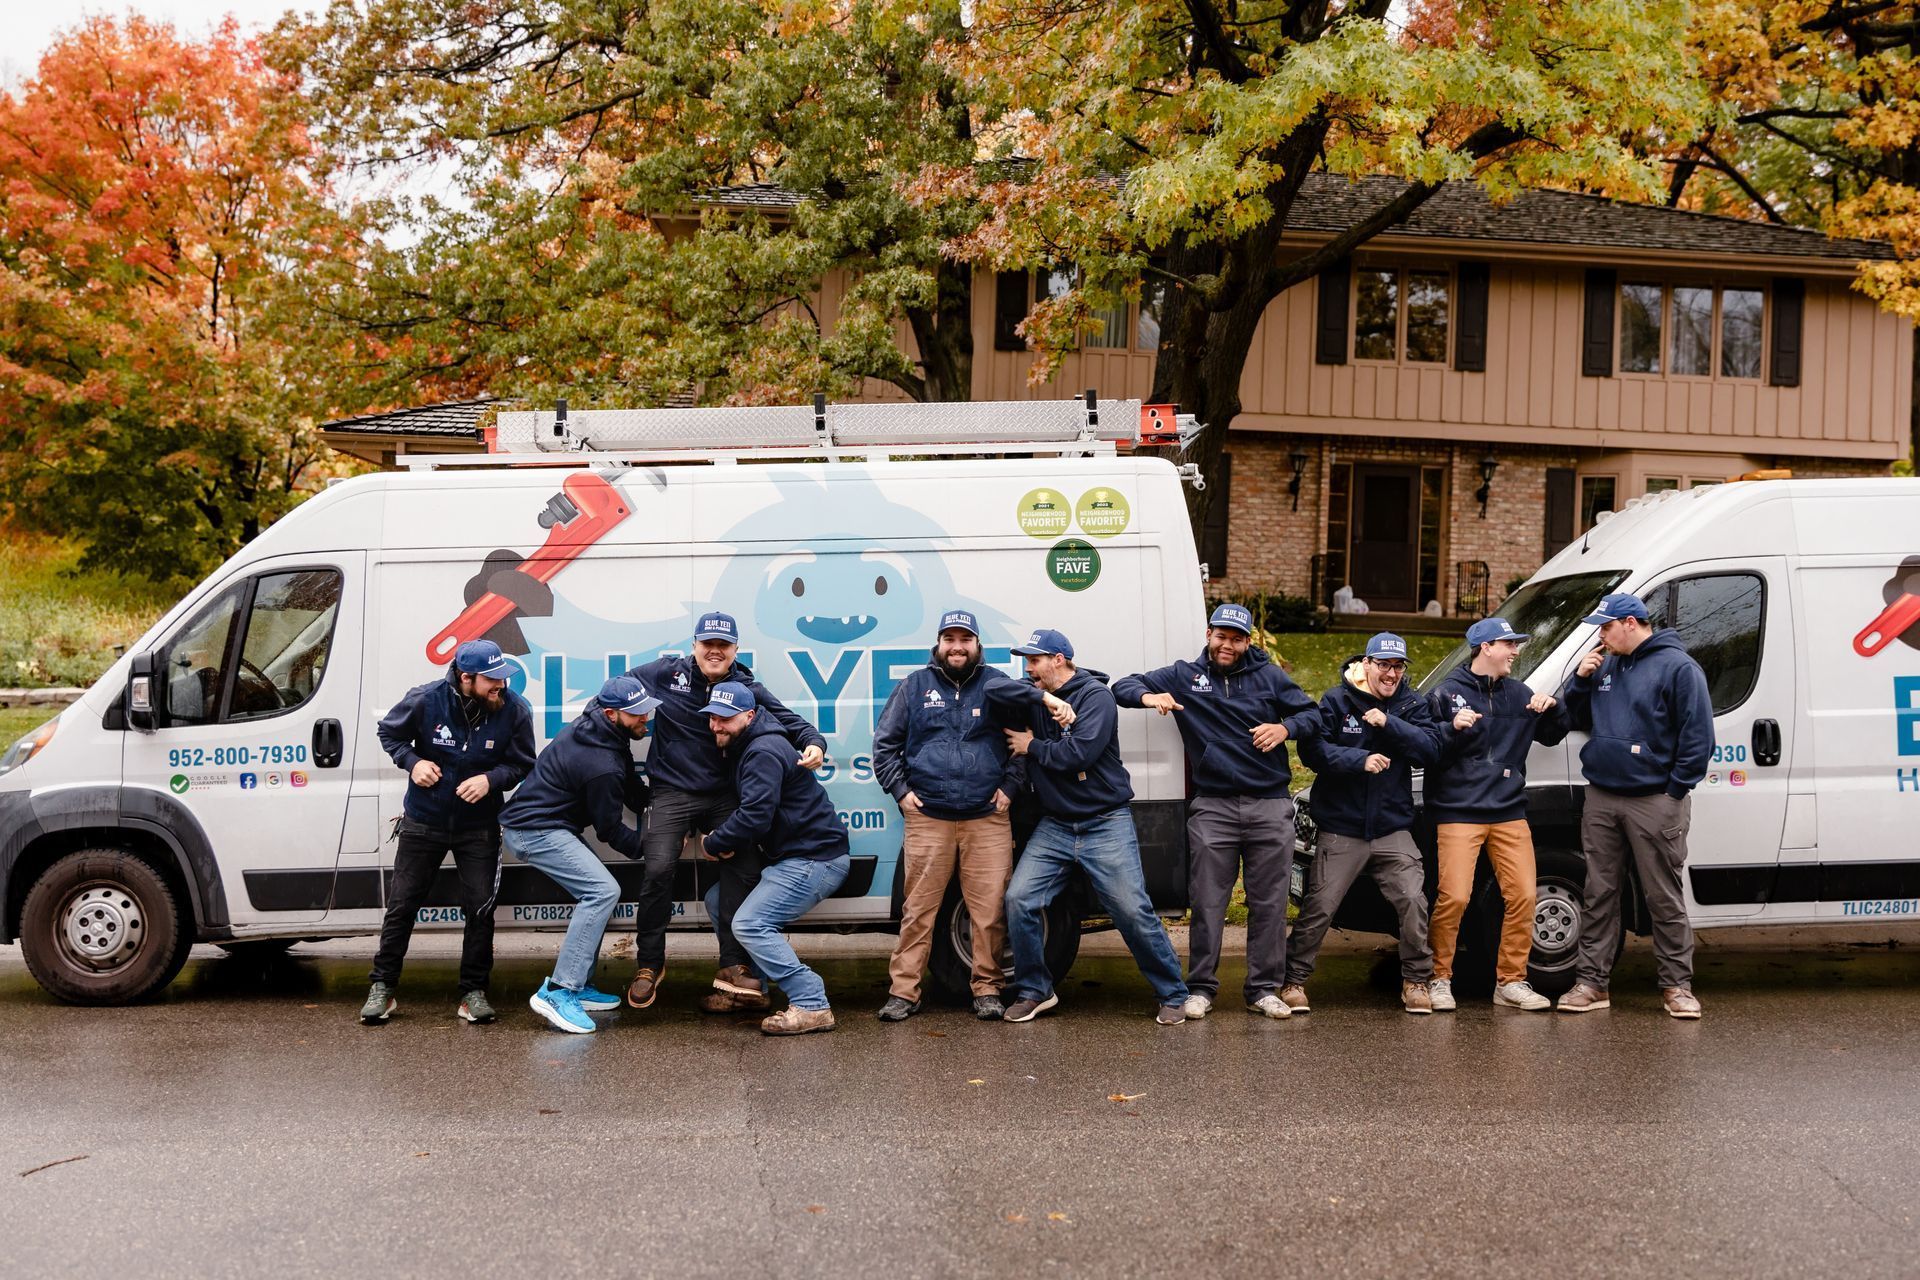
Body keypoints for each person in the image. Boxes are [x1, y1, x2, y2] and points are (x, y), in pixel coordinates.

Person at [1113, 602, 1322, 1021]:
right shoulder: (1184, 675)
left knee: (1269, 903)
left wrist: (1284, 729)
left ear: (1248, 641)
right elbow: (1121, 686)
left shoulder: (1269, 677)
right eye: (1222, 635)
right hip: (1213, 806)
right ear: (1209, 634)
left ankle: (1262, 989)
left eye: (1237, 638)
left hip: (1269, 803)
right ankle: (1202, 988)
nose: (1228, 644)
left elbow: (1312, 714)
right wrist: (1150, 696)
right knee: (1208, 902)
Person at [872, 609, 1073, 1023]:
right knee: (918, 912)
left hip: (987, 818)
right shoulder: (914, 686)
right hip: (929, 818)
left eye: (965, 639)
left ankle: (986, 988)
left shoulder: (998, 686)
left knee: (989, 912)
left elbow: (1021, 744)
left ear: (978, 644)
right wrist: (901, 792)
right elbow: (884, 746)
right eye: (950, 638)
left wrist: (1010, 790)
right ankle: (904, 992)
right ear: (939, 644)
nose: (957, 646)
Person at [622, 611, 827, 1014]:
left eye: (724, 645)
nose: (715, 651)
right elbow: (616, 696)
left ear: (735, 650)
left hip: (721, 794)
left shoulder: (745, 687)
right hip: (672, 791)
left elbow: (789, 720)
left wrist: (815, 742)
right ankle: (649, 964)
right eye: (707, 644)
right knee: (659, 866)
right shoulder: (666, 674)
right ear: (694, 646)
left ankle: (733, 967)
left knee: (744, 864)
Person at [986, 629, 1192, 1026]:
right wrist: (1042, 697)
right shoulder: (1036, 693)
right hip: (1056, 826)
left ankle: (1173, 993)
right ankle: (1035, 990)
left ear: (1058, 660)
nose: (1028, 669)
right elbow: (993, 689)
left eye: (1035, 661)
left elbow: (1078, 753)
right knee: (1019, 900)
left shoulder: (1096, 697)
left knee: (1132, 911)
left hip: (1104, 822)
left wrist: (1033, 746)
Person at [361, 640, 536, 1026]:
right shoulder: (425, 700)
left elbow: (523, 764)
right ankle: (383, 987)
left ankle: (472, 992)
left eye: (503, 678)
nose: (501, 687)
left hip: (479, 828)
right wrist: (413, 762)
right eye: (493, 680)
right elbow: (389, 734)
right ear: (465, 677)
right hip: (424, 822)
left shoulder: (515, 710)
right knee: (402, 906)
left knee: (480, 910)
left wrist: (491, 780)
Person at [1557, 592, 1713, 1019]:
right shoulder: (1604, 665)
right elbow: (1571, 718)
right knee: (1599, 893)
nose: (1600, 636)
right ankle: (1592, 984)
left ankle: (1677, 987)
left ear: (1630, 622)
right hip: (1604, 797)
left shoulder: (1679, 668)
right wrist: (1580, 681)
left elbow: (1698, 739)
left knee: (1662, 896)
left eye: (1606, 627)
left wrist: (1674, 792)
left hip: (1654, 800)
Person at [1285, 632, 1446, 1015]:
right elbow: (1312, 750)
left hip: (1392, 828)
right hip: (1343, 827)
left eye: (1398, 666)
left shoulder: (1410, 703)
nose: (1391, 673)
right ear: (1367, 664)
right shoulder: (1337, 700)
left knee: (1413, 900)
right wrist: (1359, 760)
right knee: (1321, 905)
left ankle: (1416, 981)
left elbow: (1431, 749)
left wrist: (1389, 723)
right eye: (1384, 665)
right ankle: (1293, 980)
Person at [1423, 617, 1569, 1013]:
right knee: (1454, 896)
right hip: (1458, 811)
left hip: (1508, 811)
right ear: (1485, 647)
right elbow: (1426, 748)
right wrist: (1451, 727)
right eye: (1509, 644)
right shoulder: (1445, 694)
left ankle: (1511, 982)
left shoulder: (1519, 693)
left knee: (1523, 895)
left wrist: (1552, 707)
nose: (1516, 651)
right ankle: (1438, 978)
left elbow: (1554, 733)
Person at [499, 675, 659, 1034]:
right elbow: (610, 830)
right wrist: (651, 847)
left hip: (551, 825)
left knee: (598, 892)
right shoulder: (599, 761)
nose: (645, 719)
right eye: (637, 715)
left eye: (646, 711)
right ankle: (559, 991)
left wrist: (653, 802)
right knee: (602, 891)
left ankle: (580, 985)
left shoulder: (602, 730)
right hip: (533, 831)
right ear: (612, 713)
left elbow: (628, 783)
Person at [700, 682, 852, 1035]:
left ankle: (812, 1002)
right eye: (712, 718)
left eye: (725, 719)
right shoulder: (746, 745)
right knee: (718, 900)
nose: (717, 726)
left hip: (815, 859)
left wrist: (714, 842)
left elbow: (755, 816)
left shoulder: (762, 751)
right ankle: (755, 990)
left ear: (749, 716)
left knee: (749, 924)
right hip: (793, 856)